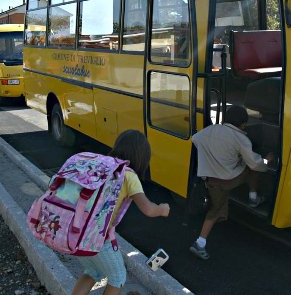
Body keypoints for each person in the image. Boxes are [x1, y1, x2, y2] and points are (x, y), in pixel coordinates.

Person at [71, 130, 170, 295]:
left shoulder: (103, 164)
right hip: (97, 237)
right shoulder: (128, 175)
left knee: (93, 272)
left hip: (75, 230)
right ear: (142, 156)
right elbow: (148, 209)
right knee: (117, 277)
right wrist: (162, 209)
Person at [189, 105, 271, 261]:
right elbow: (255, 163)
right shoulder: (241, 139)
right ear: (243, 124)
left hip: (210, 180)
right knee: (214, 211)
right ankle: (199, 243)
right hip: (228, 180)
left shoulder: (210, 130)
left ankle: (215, 224)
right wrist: (267, 162)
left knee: (217, 208)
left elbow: (195, 139)